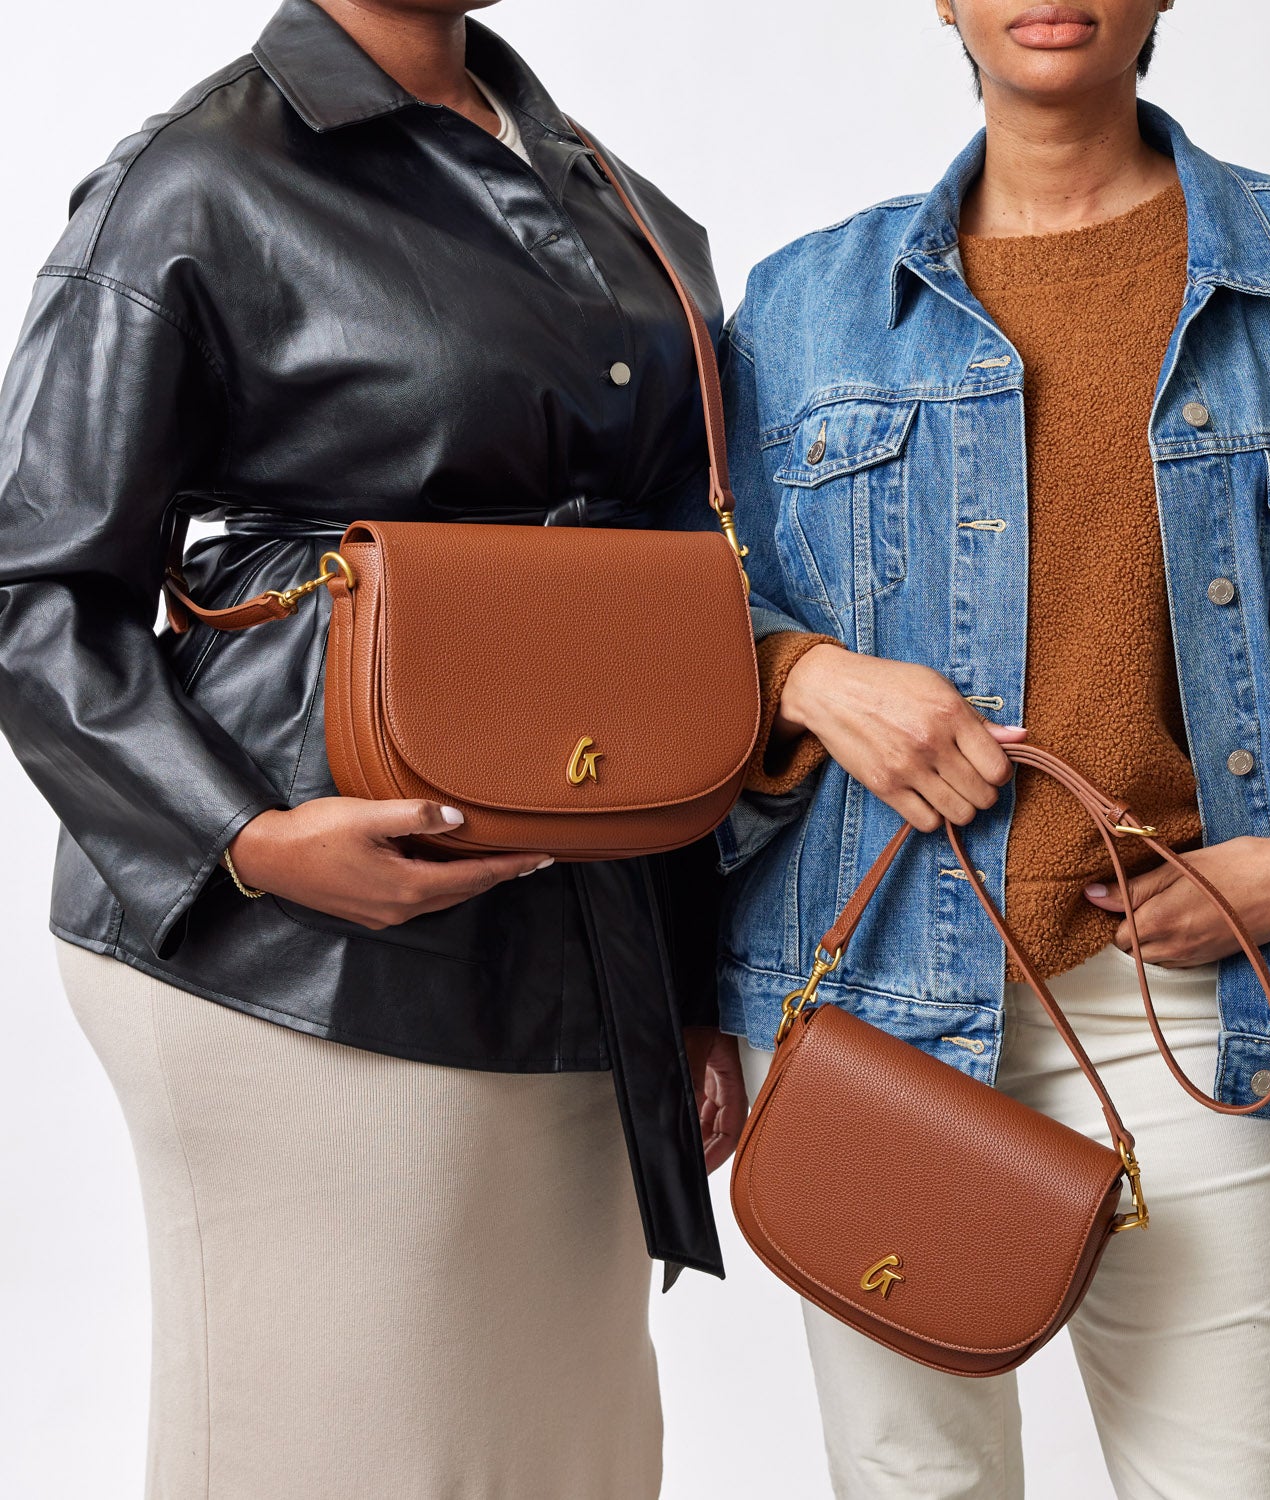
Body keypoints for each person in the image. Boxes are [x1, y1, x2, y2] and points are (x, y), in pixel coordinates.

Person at [717, 2, 1270, 1495]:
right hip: (867, 1008)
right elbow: (689, 606)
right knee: (912, 1484)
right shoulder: (807, 303)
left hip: (1191, 1011)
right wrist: (807, 675)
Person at [0, 1, 750, 1494]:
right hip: (296, 950)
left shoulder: (611, 196)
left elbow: (669, 602)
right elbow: (37, 589)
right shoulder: (196, 181)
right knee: (333, 1448)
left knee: (561, 1458)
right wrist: (249, 841)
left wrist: (696, 975)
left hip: (582, 935)